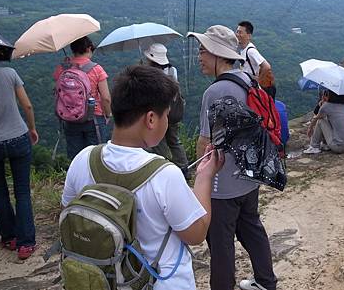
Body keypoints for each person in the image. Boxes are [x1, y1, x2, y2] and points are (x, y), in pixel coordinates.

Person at [61, 65, 224, 289]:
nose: (166, 122)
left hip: (103, 279)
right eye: (165, 115)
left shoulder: (83, 159)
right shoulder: (164, 174)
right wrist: (204, 177)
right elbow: (196, 234)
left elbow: (71, 212)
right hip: (158, 281)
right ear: (150, 119)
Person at [188, 25, 277, 290]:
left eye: (203, 50)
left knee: (220, 244)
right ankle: (266, 281)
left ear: (217, 53)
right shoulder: (249, 79)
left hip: (223, 186)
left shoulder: (214, 92)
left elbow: (205, 142)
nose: (199, 56)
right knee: (252, 228)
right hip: (250, 177)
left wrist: (199, 180)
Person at [0, 47, 38, 260]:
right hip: (18, 136)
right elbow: (26, 104)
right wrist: (32, 128)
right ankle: (26, 244)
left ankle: (9, 238)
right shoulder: (9, 73)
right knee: (22, 192)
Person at [53, 36, 112, 159]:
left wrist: (66, 64)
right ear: (89, 48)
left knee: (76, 157)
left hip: (70, 118)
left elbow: (59, 91)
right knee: (96, 157)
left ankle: (78, 177)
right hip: (94, 118)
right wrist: (108, 114)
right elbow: (106, 97)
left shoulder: (62, 68)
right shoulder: (96, 69)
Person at [142, 43, 190, 178]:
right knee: (174, 140)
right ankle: (183, 167)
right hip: (173, 112)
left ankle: (160, 168)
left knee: (158, 142)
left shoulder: (151, 74)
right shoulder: (172, 70)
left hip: (159, 114)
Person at [303, 89, 344, 154]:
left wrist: (310, 128)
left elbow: (316, 118)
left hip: (339, 147)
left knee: (321, 121)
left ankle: (314, 146)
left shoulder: (327, 106)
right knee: (328, 119)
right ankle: (326, 144)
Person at [235, 21, 275, 98]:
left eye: (240, 32)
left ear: (249, 36)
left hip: (255, 91)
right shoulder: (243, 50)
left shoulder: (250, 51)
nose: (237, 35)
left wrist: (258, 81)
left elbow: (267, 66)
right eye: (237, 32)